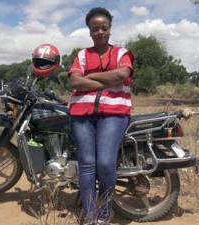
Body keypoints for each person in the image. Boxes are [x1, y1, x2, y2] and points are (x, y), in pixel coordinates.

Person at [68, 7, 134, 225]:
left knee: (105, 163)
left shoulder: (121, 54)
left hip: (114, 113)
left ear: (109, 30)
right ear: (89, 31)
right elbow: (75, 81)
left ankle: (104, 214)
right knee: (86, 163)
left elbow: (122, 74)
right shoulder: (81, 55)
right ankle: (89, 216)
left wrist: (91, 76)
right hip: (81, 114)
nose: (99, 32)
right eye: (94, 28)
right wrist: (107, 79)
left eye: (103, 28)